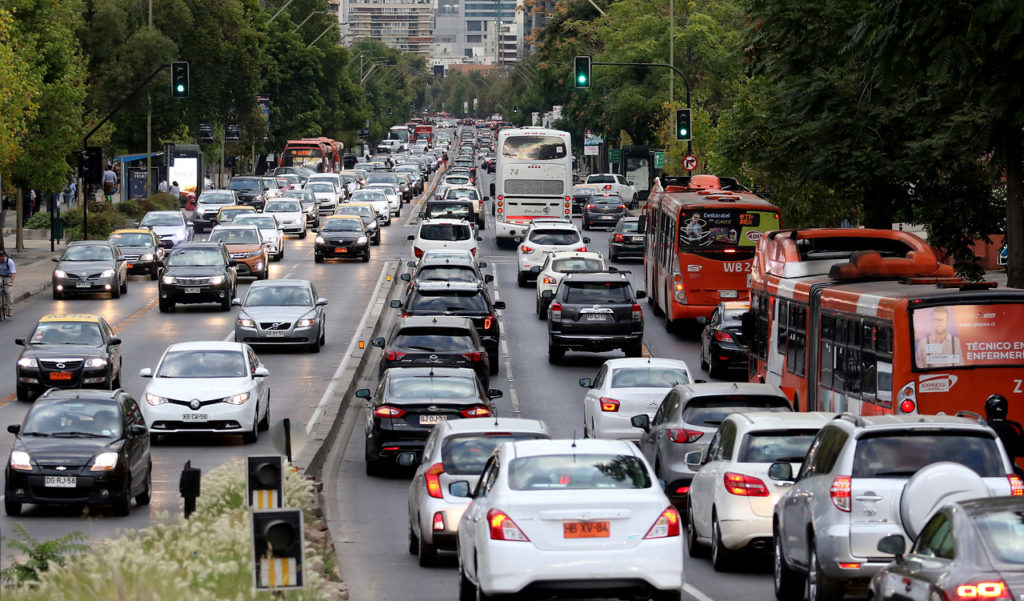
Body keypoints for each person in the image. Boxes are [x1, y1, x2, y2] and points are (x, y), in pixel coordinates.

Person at [985, 394, 1024, 476]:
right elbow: (1020, 451)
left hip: (985, 469)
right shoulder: (1014, 427)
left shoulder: (981, 424)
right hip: (1008, 470)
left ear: (988, 409)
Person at [0, 249, 15, 318]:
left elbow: (13, 273)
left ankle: (9, 309)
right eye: (0, 257)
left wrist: (11, 282)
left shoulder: (10, 262)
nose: (2, 258)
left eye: (3, 257)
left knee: (8, 292)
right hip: (1, 276)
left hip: (8, 277)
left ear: (5, 256)